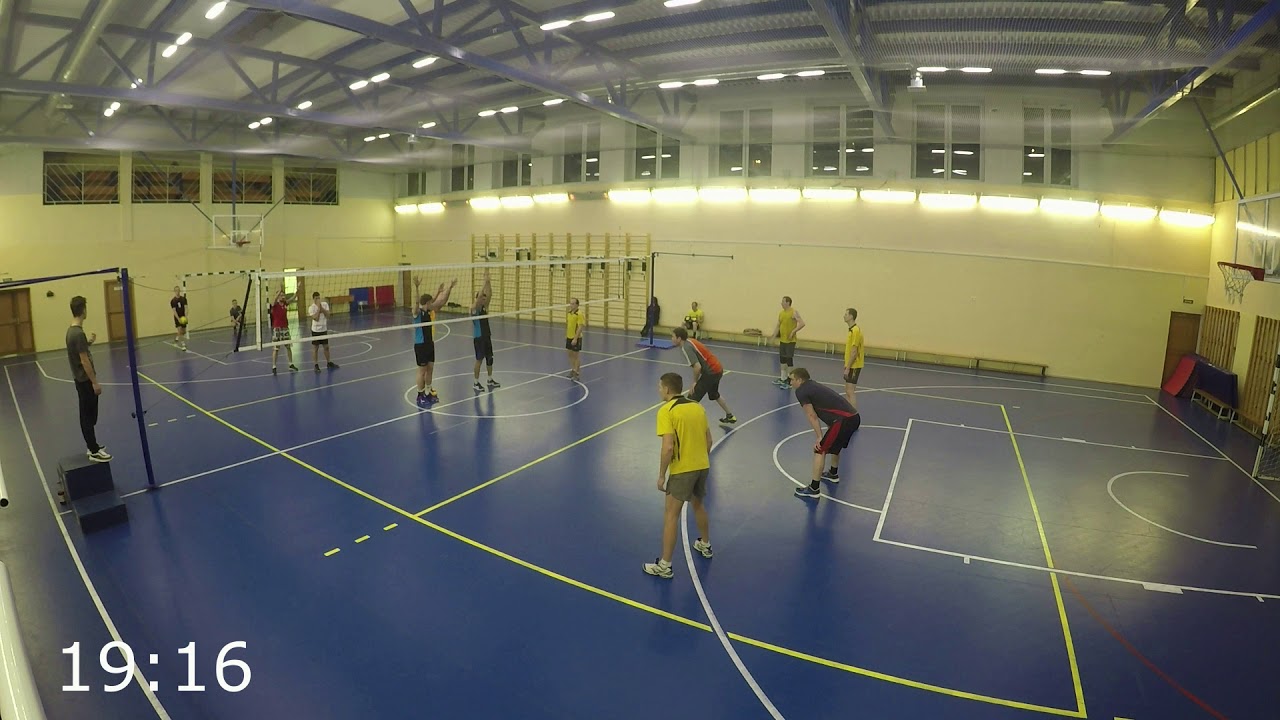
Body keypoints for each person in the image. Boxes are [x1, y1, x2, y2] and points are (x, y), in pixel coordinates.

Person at [643, 372, 714, 579]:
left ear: (667, 389)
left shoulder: (666, 411)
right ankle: (705, 544)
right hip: (702, 465)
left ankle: (665, 566)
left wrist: (661, 475)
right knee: (698, 505)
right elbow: (709, 440)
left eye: (660, 387)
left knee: (671, 515)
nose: (659, 390)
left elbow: (668, 447)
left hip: (682, 471)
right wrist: (699, 460)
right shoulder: (697, 407)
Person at [788, 368, 860, 499]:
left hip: (843, 421)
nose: (790, 382)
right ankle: (833, 473)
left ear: (799, 380)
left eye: (792, 379)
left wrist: (819, 437)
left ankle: (814, 489)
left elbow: (812, 415)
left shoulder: (801, 391)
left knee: (819, 450)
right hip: (853, 418)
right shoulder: (813, 385)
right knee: (835, 445)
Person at [66, 296, 110, 462]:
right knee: (87, 416)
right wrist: (95, 382)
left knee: (90, 416)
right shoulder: (78, 334)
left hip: (81, 380)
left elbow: (79, 350)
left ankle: (92, 444)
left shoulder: (72, 331)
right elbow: (84, 360)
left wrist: (88, 342)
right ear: (83, 310)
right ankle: (93, 450)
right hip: (85, 381)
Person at [671, 327, 735, 425]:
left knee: (691, 398)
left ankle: (689, 424)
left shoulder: (686, 347)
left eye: (673, 337)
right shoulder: (690, 341)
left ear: (679, 338)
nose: (671, 339)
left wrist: (694, 382)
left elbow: (697, 367)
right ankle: (730, 416)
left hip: (711, 372)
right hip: (717, 369)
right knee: (714, 394)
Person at [413, 277, 457, 406]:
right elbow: (417, 303)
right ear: (427, 303)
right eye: (431, 302)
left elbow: (440, 301)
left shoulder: (429, 311)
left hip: (429, 344)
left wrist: (448, 288)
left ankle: (428, 392)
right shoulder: (417, 313)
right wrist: (417, 287)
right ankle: (420, 395)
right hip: (420, 345)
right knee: (422, 371)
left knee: (430, 369)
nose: (433, 303)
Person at [471, 269, 500, 392]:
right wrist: (483, 282)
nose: (484, 299)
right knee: (479, 360)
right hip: (479, 337)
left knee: (490, 358)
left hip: (487, 336)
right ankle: (476, 382)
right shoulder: (474, 309)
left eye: (484, 298)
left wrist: (488, 282)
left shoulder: (484, 308)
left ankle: (489, 379)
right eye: (481, 298)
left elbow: (490, 295)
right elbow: (478, 299)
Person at [769, 296, 805, 388]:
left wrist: (793, 332)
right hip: (783, 340)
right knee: (782, 359)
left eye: (783, 301)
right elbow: (778, 325)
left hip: (790, 341)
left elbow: (802, 323)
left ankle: (789, 381)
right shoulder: (781, 313)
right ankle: (783, 378)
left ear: (788, 303)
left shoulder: (793, 312)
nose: (781, 303)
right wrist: (773, 336)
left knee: (789, 360)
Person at [268, 289, 298, 375]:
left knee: (288, 347)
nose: (283, 296)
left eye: (283, 295)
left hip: (285, 328)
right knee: (276, 349)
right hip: (277, 329)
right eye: (281, 295)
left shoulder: (285, 303)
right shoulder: (275, 304)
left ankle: (290, 364)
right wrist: (278, 293)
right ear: (278, 296)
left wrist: (297, 291)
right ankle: (274, 366)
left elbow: (292, 298)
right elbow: (274, 299)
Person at [308, 291, 338, 373]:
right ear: (313, 299)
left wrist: (322, 309)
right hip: (315, 330)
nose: (318, 299)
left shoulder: (324, 304)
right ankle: (316, 365)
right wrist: (318, 309)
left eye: (319, 298)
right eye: (316, 298)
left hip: (324, 329)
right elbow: (316, 318)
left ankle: (329, 362)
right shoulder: (311, 308)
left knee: (326, 347)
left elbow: (328, 315)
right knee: (315, 348)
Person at [843, 307, 865, 409]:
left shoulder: (855, 331)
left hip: (854, 365)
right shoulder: (851, 330)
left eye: (846, 314)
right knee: (847, 390)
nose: (844, 316)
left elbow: (854, 352)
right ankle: (849, 412)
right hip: (850, 364)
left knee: (850, 391)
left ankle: (853, 414)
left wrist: (848, 367)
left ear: (851, 316)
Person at [565, 297, 584, 381]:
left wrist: (575, 338)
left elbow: (580, 327)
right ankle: (573, 370)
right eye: (570, 303)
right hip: (569, 337)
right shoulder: (569, 313)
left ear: (577, 305)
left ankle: (577, 373)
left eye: (573, 304)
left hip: (576, 337)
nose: (571, 305)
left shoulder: (579, 314)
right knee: (570, 355)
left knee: (576, 356)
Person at [170, 286, 188, 351]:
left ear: (179, 291)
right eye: (176, 290)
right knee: (180, 330)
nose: (177, 292)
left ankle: (177, 337)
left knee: (183, 331)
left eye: (178, 290)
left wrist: (186, 316)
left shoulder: (183, 299)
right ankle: (183, 344)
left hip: (183, 317)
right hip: (177, 317)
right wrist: (178, 319)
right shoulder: (173, 301)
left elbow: (186, 308)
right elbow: (174, 311)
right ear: (174, 291)